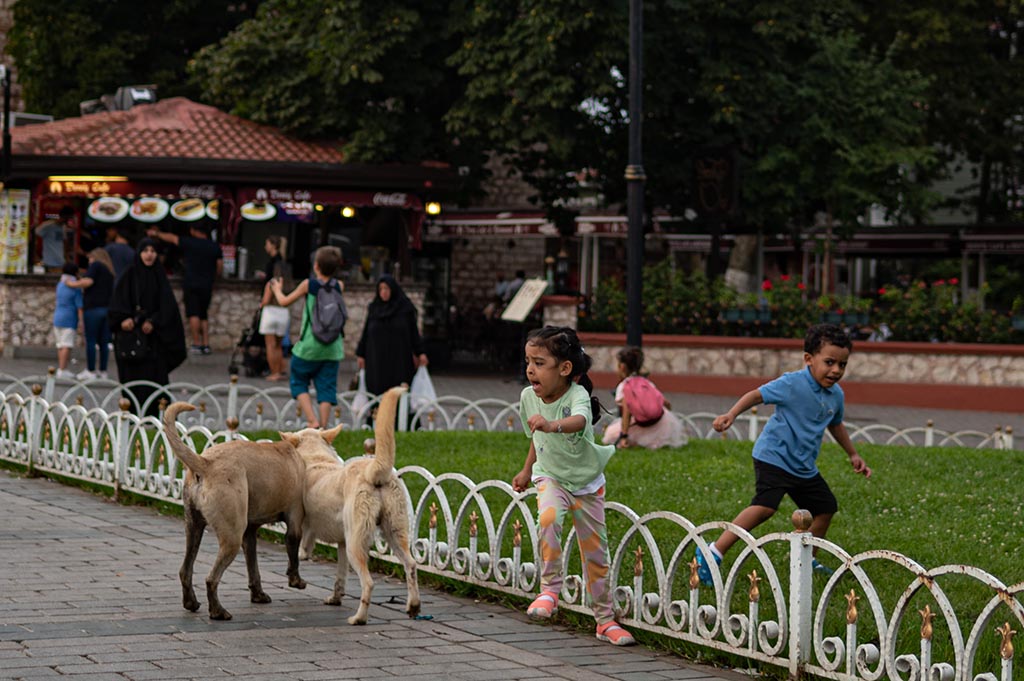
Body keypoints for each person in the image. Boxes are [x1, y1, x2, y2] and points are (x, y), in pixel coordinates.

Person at [697, 323, 872, 585]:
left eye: (842, 364)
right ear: (808, 359)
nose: (836, 370)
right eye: (829, 362)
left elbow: (835, 423)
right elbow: (757, 395)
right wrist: (731, 414)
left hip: (802, 467)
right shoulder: (792, 383)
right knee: (765, 507)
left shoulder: (836, 395)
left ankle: (807, 560)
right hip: (774, 457)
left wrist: (853, 454)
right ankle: (712, 553)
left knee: (825, 508)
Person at [511, 326, 636, 647]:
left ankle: (605, 620)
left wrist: (553, 425)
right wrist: (526, 471)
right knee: (549, 519)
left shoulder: (577, 395)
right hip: (550, 475)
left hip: (587, 484)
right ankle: (550, 589)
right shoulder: (529, 397)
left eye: (539, 363)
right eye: (528, 361)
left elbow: (578, 421)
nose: (529, 370)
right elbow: (536, 439)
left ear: (565, 369)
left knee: (596, 553)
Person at [107, 238, 187, 416]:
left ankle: (157, 415)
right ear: (139, 253)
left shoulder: (159, 277)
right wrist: (123, 320)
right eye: (145, 251)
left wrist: (154, 321)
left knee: (155, 380)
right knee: (132, 382)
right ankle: (133, 414)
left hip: (153, 343)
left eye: (153, 251)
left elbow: (167, 308)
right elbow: (117, 305)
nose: (149, 254)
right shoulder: (129, 276)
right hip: (131, 342)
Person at [269, 246, 344, 428]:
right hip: (333, 347)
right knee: (327, 387)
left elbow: (284, 301)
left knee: (298, 380)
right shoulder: (340, 286)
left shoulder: (308, 285)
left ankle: (313, 421)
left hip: (310, 345)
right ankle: (324, 427)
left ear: (316, 266)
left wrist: (277, 289)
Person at [147, 224, 223, 354]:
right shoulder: (214, 246)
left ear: (193, 231)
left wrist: (156, 234)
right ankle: (206, 343)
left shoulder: (190, 242)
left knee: (193, 313)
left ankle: (196, 344)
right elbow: (220, 267)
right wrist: (213, 278)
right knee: (203, 314)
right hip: (207, 284)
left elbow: (172, 238)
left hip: (192, 283)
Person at [601, 346, 687, 449]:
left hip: (642, 424)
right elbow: (666, 403)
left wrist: (624, 436)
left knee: (610, 435)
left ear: (622, 367)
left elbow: (626, 414)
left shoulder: (624, 386)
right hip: (662, 422)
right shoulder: (646, 382)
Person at [355, 274, 428, 395]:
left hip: (399, 361)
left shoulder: (405, 309)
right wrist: (360, 354)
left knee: (398, 392)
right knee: (377, 393)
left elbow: (413, 333)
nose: (383, 292)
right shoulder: (374, 308)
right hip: (376, 361)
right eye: (381, 289)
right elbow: (366, 332)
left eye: (386, 289)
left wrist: (421, 352)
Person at [64, 249, 116, 380]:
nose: (89, 262)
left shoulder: (96, 265)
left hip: (93, 309)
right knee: (104, 342)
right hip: (106, 309)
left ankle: (91, 370)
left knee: (91, 340)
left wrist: (72, 284)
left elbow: (88, 282)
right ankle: (102, 371)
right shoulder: (109, 271)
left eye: (89, 259)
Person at [259, 260, 292, 381]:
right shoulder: (289, 285)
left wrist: (261, 304)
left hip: (270, 313)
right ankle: (279, 370)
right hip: (283, 314)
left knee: (270, 345)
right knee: (278, 346)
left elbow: (266, 300)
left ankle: (273, 372)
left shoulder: (272, 283)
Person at [52, 263, 83, 379]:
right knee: (67, 345)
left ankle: (61, 367)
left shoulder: (60, 284)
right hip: (69, 318)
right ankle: (62, 369)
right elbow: (79, 306)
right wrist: (81, 322)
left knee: (60, 345)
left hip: (57, 317)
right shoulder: (75, 288)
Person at [35, 206, 76, 272]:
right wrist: (36, 257)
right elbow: (35, 237)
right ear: (65, 216)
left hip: (61, 262)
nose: (70, 221)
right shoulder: (47, 225)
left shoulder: (63, 227)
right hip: (48, 262)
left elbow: (64, 244)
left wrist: (66, 259)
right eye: (70, 218)